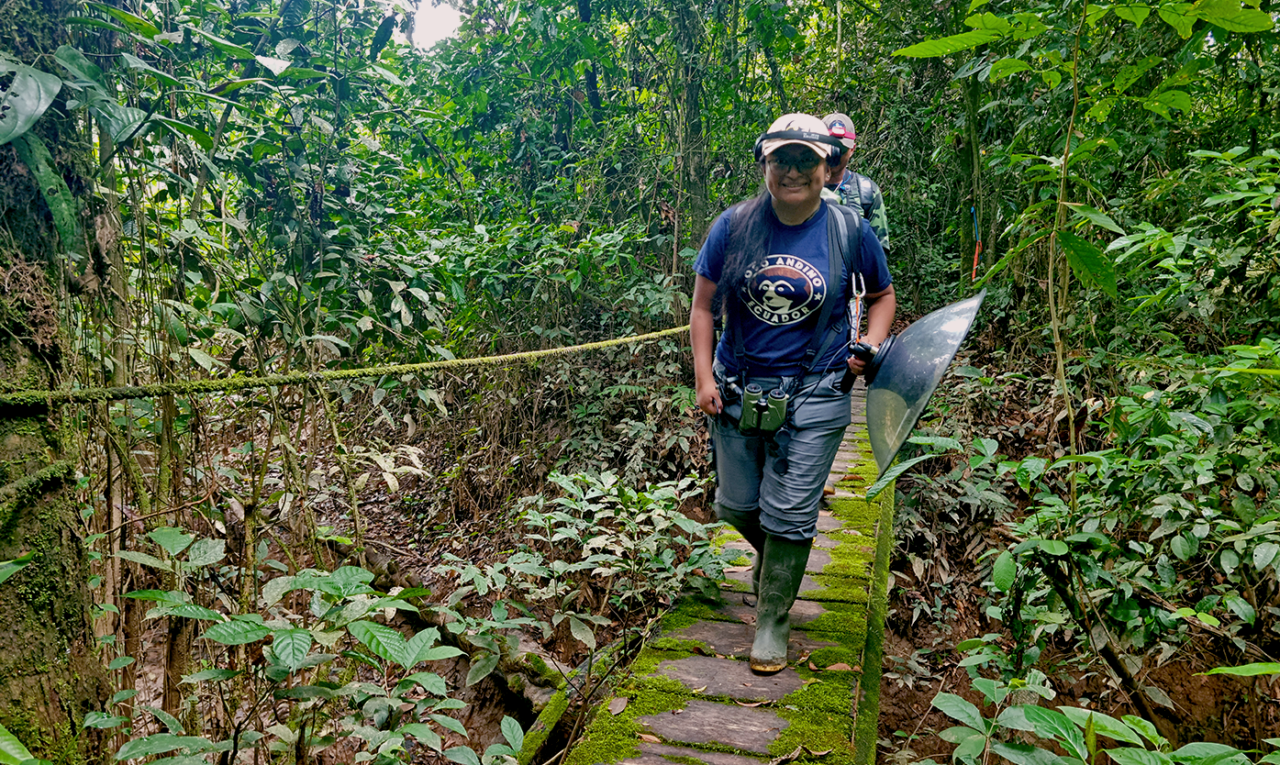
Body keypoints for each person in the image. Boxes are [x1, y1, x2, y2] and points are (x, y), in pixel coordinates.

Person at [690, 113, 896, 674]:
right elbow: (703, 306)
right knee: (735, 506)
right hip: (739, 386)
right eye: (783, 159)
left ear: (828, 167)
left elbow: (881, 297)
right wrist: (705, 378)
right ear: (765, 164)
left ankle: (772, 619)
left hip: (819, 389)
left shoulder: (849, 230)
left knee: (792, 514)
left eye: (807, 160)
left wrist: (872, 345)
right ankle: (774, 562)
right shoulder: (732, 225)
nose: (794, 171)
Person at [820, 112, 889, 252]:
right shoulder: (801, 187)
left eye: (841, 149)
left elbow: (879, 252)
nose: (835, 154)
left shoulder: (866, 192)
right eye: (830, 147)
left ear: (852, 149)